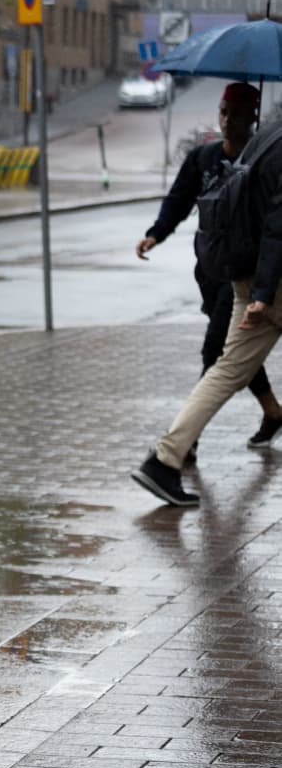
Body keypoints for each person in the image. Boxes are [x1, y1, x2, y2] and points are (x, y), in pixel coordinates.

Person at [133, 112, 282, 506]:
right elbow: (277, 226)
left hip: (244, 274)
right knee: (225, 365)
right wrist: (264, 295)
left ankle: (163, 461)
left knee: (227, 369)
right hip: (271, 282)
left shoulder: (266, 135)